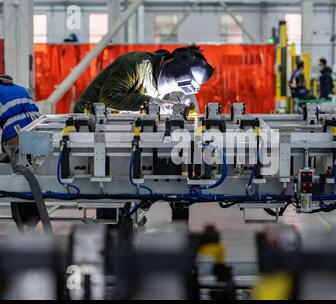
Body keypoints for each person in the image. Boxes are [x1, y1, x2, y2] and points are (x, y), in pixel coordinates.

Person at [74, 45, 214, 114]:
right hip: (87, 120)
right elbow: (108, 97)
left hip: (115, 123)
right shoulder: (136, 64)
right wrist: (151, 102)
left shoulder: (175, 84)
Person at [0, 74, 41, 231]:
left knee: (20, 179)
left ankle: (25, 222)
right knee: (33, 175)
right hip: (38, 132)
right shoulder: (22, 89)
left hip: (15, 137)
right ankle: (34, 217)